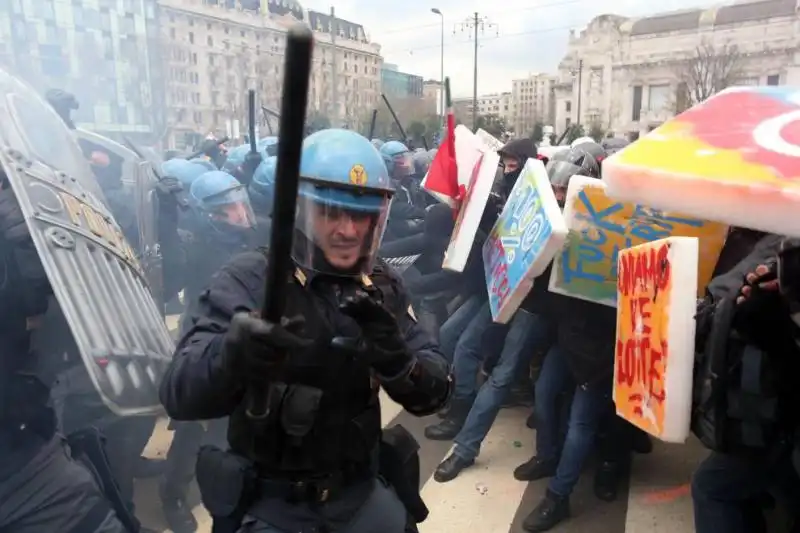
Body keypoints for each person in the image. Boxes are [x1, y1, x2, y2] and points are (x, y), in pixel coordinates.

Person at [160, 128, 451, 533]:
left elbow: (434, 391)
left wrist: (397, 358)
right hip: (275, 506)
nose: (348, 230)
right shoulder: (251, 279)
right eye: (331, 213)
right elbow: (178, 393)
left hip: (358, 494)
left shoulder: (381, 285)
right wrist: (230, 356)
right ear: (299, 211)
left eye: (362, 216)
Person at [159, 169, 258, 533]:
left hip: (244, 340)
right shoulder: (196, 247)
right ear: (210, 215)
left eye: (240, 203)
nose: (240, 213)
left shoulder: (252, 237)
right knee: (193, 426)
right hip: (205, 339)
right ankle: (172, 493)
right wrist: (166, 220)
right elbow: (170, 273)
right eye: (230, 208)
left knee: (231, 426)